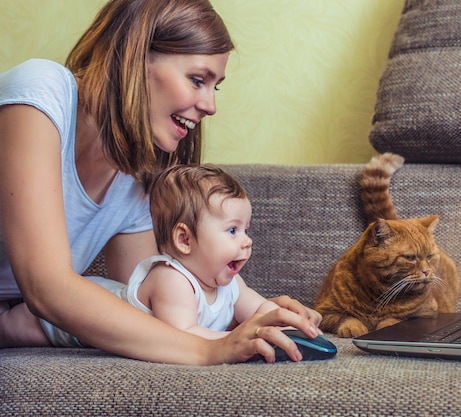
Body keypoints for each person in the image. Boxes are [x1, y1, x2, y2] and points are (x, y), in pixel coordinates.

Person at [0, 0, 321, 365]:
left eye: (215, 87)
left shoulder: (137, 178)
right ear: (135, 58)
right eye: (197, 80)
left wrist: (252, 319)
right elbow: (47, 289)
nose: (210, 106)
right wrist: (208, 349)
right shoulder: (40, 92)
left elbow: (143, 306)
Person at [1, 164, 307, 357]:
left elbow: (260, 310)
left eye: (245, 229)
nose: (247, 240)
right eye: (232, 230)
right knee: (14, 328)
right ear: (184, 240)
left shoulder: (228, 281)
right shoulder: (172, 280)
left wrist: (297, 326)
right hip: (68, 320)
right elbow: (182, 335)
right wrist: (234, 338)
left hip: (106, 303)